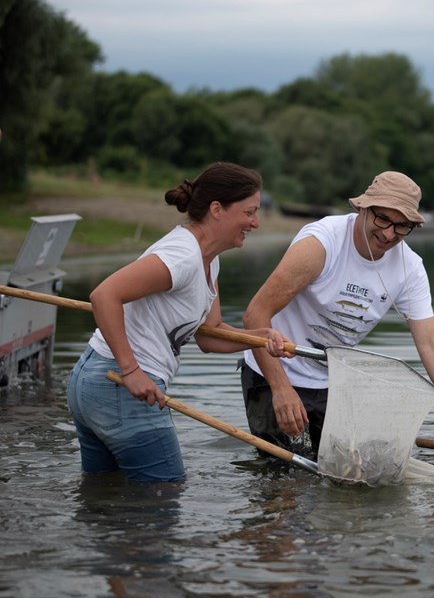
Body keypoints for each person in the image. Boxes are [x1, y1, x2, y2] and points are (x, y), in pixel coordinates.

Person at [67, 162, 293, 483]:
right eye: (249, 212)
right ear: (217, 209)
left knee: (105, 494)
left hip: (94, 382)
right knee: (164, 495)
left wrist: (262, 336)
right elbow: (104, 296)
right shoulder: (183, 255)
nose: (255, 223)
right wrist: (131, 371)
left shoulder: (209, 260)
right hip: (120, 384)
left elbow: (210, 336)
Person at [241, 170, 434, 458]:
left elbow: (430, 343)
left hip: (330, 382)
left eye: (402, 226)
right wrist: (280, 389)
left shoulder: (409, 268)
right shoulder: (321, 244)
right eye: (382, 219)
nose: (388, 234)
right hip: (273, 372)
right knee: (283, 474)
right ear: (363, 209)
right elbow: (255, 314)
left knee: (337, 475)